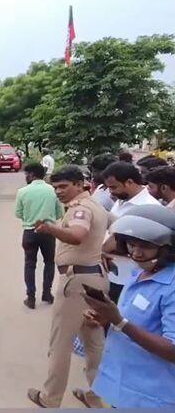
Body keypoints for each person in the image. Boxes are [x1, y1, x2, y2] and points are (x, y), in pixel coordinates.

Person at [27, 165, 110, 409]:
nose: (59, 192)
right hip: (94, 277)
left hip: (77, 284)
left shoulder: (81, 209)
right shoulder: (95, 205)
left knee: (60, 343)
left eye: (64, 186)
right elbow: (109, 228)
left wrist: (49, 227)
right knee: (94, 342)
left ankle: (50, 398)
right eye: (56, 187)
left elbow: (77, 235)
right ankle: (97, 395)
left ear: (79, 184)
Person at [84, 204, 175, 408]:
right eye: (132, 245)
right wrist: (107, 320)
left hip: (152, 396)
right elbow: (132, 326)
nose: (136, 253)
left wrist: (119, 321)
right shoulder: (140, 274)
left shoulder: (171, 286)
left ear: (168, 248)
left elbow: (172, 350)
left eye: (145, 246)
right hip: (123, 385)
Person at [102, 162, 161, 303]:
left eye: (113, 187)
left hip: (133, 278)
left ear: (129, 182)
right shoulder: (121, 201)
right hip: (114, 275)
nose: (110, 191)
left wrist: (104, 249)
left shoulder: (149, 208)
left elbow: (135, 244)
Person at [16, 163, 64, 309]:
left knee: (29, 264)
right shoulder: (52, 191)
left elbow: (18, 214)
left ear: (32, 174)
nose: (25, 177)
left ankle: (30, 297)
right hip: (48, 232)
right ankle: (47, 294)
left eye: (26, 174)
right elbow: (60, 213)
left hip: (30, 233)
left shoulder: (22, 191)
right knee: (49, 262)